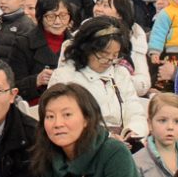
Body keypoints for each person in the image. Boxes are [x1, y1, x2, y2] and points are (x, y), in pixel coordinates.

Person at [57, 14, 150, 142]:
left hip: (121, 142)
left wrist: (132, 131)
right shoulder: (65, 77)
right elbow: (66, 121)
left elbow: (135, 111)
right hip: (84, 143)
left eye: (115, 55)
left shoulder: (120, 74)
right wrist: (107, 138)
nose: (108, 61)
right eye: (103, 54)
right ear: (86, 49)